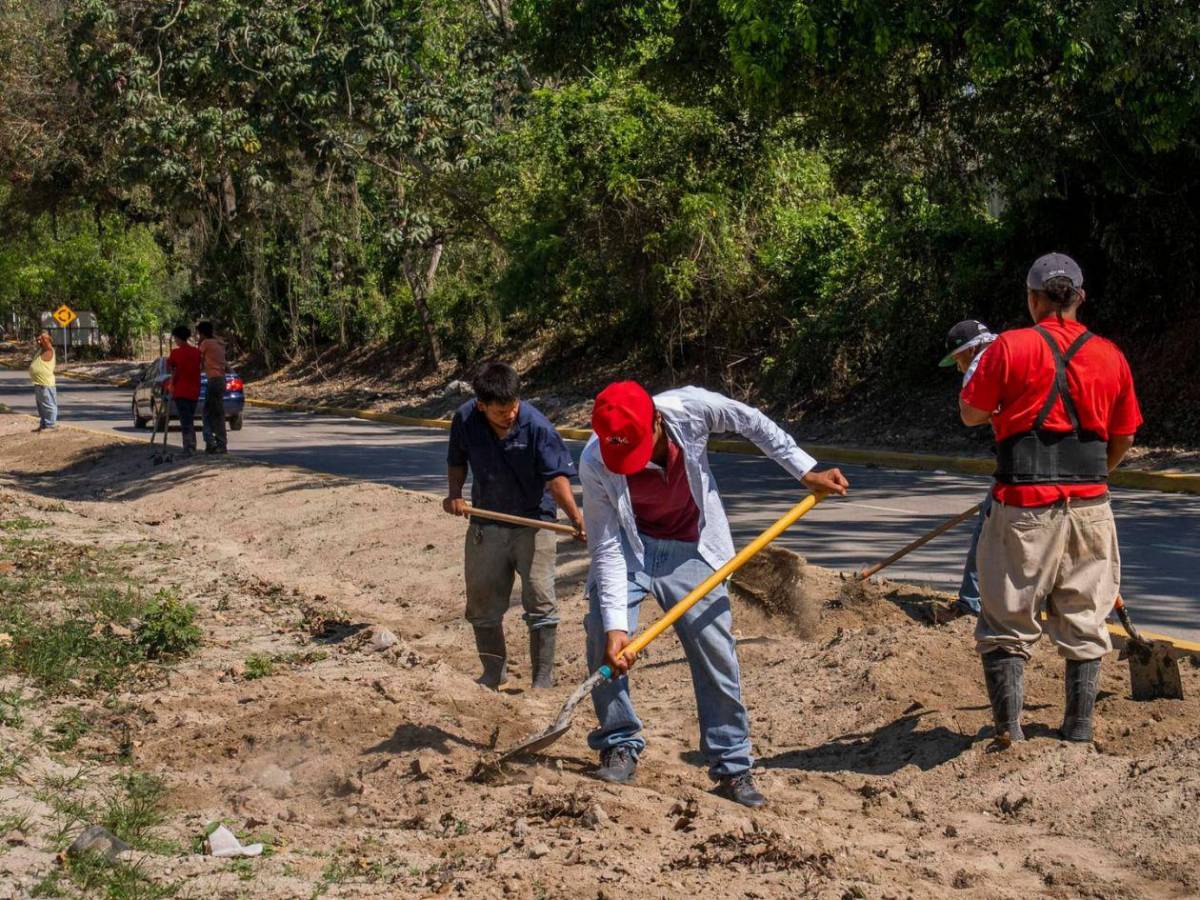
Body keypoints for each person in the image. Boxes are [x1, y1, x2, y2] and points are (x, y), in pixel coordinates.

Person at [581, 382, 849, 807]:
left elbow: (752, 422)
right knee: (601, 634)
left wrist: (803, 469)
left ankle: (732, 765)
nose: (634, 464)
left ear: (656, 420)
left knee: (716, 651)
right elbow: (608, 545)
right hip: (632, 551)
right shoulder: (596, 459)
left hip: (693, 549)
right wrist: (616, 627)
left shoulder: (692, 409)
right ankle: (619, 740)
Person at [960, 253, 1142, 746]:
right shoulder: (1111, 355)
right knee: (1085, 615)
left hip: (1022, 504)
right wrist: (1095, 476)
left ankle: (1009, 730)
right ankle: (1078, 729)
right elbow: (1123, 436)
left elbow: (972, 413)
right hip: (1090, 506)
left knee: (1006, 616)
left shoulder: (1009, 348)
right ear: (1080, 297)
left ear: (1033, 298)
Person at [444, 361, 585, 690]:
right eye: (500, 412)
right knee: (482, 605)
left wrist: (576, 519)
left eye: (513, 408)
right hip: (486, 522)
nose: (509, 416)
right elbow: (456, 460)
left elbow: (557, 479)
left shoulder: (536, 426)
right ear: (482, 406)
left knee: (540, 601)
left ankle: (542, 680)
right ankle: (494, 672)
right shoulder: (465, 419)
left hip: (533, 523)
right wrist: (454, 495)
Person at [937, 319, 998, 620]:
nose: (959, 367)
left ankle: (970, 602)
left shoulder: (983, 365)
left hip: (1021, 465)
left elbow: (970, 416)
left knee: (986, 531)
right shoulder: (1018, 353)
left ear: (972, 349)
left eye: (959, 358)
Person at [166, 325, 202, 456]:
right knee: (190, 418)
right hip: (194, 390)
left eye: (175, 338)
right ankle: (192, 445)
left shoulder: (176, 353)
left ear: (179, 338)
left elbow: (169, 366)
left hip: (181, 390)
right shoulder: (196, 352)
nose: (175, 340)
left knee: (185, 421)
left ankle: (189, 448)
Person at [196, 321, 228, 454]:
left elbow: (197, 359)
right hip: (221, 379)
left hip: (213, 380)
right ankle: (221, 443)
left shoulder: (205, 344)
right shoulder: (219, 343)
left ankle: (211, 442)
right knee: (218, 413)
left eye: (198, 334)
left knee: (207, 413)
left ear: (202, 333)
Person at [29, 331, 57, 431]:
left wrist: (44, 338)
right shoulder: (41, 350)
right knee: (41, 407)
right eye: (39, 339)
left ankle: (50, 425)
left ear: (49, 340)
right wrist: (39, 339)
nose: (40, 340)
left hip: (46, 384)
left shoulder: (49, 350)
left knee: (48, 405)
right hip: (38, 383)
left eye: (43, 339)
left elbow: (47, 345)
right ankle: (44, 424)